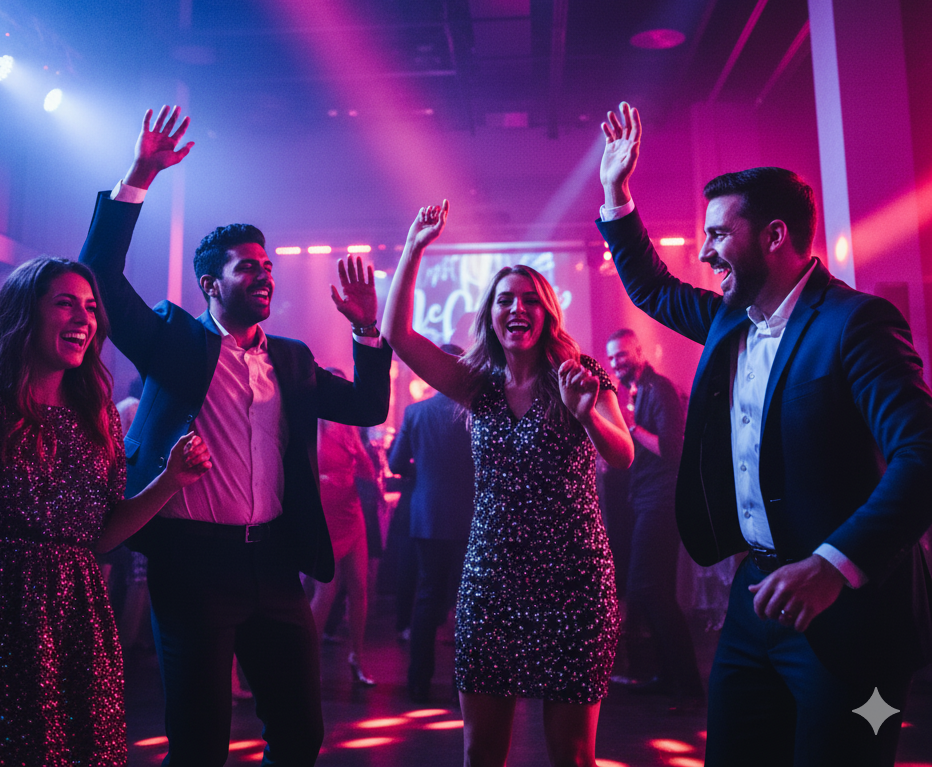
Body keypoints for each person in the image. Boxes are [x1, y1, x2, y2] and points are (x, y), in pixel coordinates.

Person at [597, 102, 932, 767]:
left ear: (775, 235)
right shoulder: (731, 319)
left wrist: (833, 566)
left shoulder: (856, 324)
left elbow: (922, 454)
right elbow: (655, 287)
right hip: (757, 606)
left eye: (720, 233)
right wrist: (616, 195)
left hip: (851, 615)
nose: (705, 250)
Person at [78, 107, 392, 767]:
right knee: (198, 744)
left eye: (267, 265)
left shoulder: (295, 359)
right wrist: (140, 175)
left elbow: (367, 405)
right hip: (193, 565)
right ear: (208, 283)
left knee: (301, 735)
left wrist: (367, 331)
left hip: (275, 565)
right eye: (246, 267)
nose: (264, 274)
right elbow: (100, 276)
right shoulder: (173, 341)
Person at [0, 149, 211, 766]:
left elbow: (100, 536)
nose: (84, 317)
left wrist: (169, 481)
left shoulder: (94, 422)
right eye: (66, 303)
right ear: (26, 315)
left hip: (76, 621)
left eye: (91, 307)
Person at [382, 201, 634, 767]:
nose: (516, 308)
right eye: (504, 301)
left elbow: (622, 455)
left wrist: (587, 413)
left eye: (528, 300)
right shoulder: (478, 387)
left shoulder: (579, 374)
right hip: (493, 581)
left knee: (572, 755)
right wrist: (414, 248)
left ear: (546, 313)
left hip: (573, 582)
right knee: (481, 751)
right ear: (491, 317)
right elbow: (396, 335)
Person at [604, 328, 704, 707]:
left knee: (649, 590)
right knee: (650, 590)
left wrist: (631, 431)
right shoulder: (638, 391)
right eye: (612, 358)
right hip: (647, 499)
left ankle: (688, 684)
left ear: (640, 353)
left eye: (622, 355)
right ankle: (668, 676)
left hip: (662, 501)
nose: (616, 362)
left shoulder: (658, 389)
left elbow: (672, 448)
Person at [388, 344, 474, 703]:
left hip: (428, 515)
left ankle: (418, 681)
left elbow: (395, 464)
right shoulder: (477, 412)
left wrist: (420, 474)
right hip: (472, 516)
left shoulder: (416, 412)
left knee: (427, 599)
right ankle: (465, 685)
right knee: (468, 602)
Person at [310, 367, 379, 686]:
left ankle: (358, 657)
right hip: (323, 511)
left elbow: (366, 469)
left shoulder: (348, 428)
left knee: (360, 588)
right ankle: (302, 658)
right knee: (326, 589)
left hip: (351, 511)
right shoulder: (310, 424)